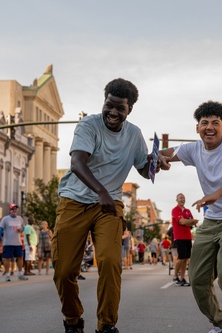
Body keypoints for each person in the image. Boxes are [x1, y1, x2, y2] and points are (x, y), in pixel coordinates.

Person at [53, 78, 166, 333]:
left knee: (110, 262)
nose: (113, 112)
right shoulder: (88, 125)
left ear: (130, 109)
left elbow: (143, 169)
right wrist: (101, 191)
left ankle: (106, 325)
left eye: (120, 108)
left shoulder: (134, 134)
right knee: (63, 270)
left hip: (109, 205)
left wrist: (154, 164)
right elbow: (77, 163)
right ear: (104, 102)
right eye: (109, 105)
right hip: (75, 201)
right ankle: (72, 319)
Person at [160, 101, 222, 333]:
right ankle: (219, 324)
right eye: (204, 123)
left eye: (215, 122)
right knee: (198, 279)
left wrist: (216, 193)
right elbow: (164, 153)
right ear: (197, 128)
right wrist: (159, 159)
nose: (210, 127)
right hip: (213, 220)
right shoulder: (193, 149)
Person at [171, 193, 197, 286]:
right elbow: (182, 221)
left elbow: (193, 223)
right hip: (179, 237)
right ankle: (175, 276)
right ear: (177, 200)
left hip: (188, 237)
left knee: (186, 259)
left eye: (184, 198)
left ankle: (182, 278)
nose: (182, 199)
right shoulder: (175, 210)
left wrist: (187, 222)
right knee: (181, 258)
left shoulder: (187, 211)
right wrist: (188, 222)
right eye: (180, 198)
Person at [0, 203, 28, 282]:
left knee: (20, 257)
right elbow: (0, 229)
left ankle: (20, 274)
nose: (14, 210)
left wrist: (21, 230)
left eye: (16, 209)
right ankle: (7, 275)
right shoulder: (5, 219)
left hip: (18, 242)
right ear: (10, 210)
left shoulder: (20, 218)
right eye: (13, 209)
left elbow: (23, 227)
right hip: (8, 242)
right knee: (7, 258)